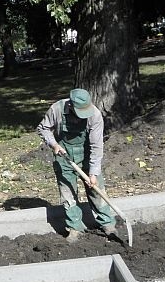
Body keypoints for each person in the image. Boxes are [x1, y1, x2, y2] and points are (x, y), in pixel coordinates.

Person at [37, 88, 116, 242]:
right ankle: (75, 227)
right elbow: (43, 128)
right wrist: (53, 144)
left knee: (97, 189)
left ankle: (107, 223)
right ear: (71, 106)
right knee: (68, 193)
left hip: (87, 155)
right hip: (64, 156)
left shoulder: (95, 115)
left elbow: (96, 146)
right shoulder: (57, 109)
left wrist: (93, 173)